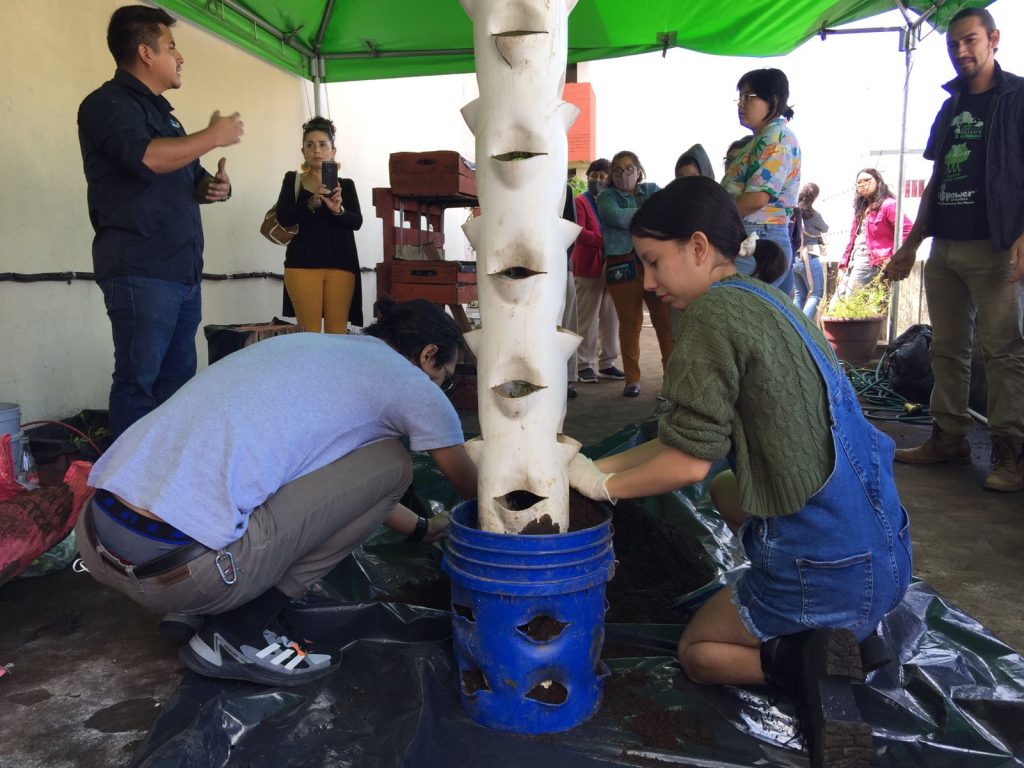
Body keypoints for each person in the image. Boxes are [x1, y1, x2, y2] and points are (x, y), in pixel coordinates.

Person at [569, 176, 911, 768]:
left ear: (699, 246)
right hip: (888, 551)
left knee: (699, 652)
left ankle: (801, 658)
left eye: (653, 263)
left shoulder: (708, 317)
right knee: (729, 488)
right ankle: (856, 635)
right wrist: (589, 465)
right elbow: (688, 443)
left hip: (826, 571)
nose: (647, 282)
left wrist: (599, 485)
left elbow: (686, 461)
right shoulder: (769, 296)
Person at [75, 298, 478, 687]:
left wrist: (422, 529)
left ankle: (187, 612)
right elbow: (470, 483)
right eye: (447, 374)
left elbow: (351, 493)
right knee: (395, 464)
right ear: (428, 355)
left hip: (97, 536)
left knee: (255, 468)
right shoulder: (411, 383)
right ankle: (235, 632)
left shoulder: (307, 346)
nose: (442, 385)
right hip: (184, 573)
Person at [78, 5, 244, 438]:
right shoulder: (105, 105)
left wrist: (211, 187)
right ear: (145, 52)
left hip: (180, 271)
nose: (180, 56)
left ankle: (165, 490)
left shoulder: (166, 115)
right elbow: (147, 158)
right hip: (140, 268)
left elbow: (184, 172)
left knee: (177, 387)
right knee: (139, 384)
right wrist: (211, 135)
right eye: (172, 46)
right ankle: (128, 497)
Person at [885, 7, 1024, 493]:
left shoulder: (1019, 98)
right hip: (945, 248)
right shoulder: (951, 106)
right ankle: (949, 438)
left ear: (994, 39)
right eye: (953, 45)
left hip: (997, 247)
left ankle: (1010, 453)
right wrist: (911, 242)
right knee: (947, 349)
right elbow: (938, 179)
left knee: (1004, 351)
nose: (961, 51)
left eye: (970, 41)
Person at [275, 117, 363, 334]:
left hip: (341, 265)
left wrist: (338, 210)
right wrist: (310, 203)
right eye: (310, 145)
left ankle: (335, 369)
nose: (317, 150)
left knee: (338, 333)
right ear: (303, 151)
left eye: (323, 144)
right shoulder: (293, 180)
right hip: (302, 264)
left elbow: (357, 221)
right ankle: (309, 369)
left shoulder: (347, 185)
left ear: (333, 150)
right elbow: (284, 217)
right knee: (308, 333)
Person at [597, 151, 674, 397]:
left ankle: (671, 381)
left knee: (664, 323)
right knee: (630, 324)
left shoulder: (652, 189)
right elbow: (616, 218)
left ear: (639, 171)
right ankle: (632, 380)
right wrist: (648, 212)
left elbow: (666, 212)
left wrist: (652, 211)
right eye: (617, 170)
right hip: (622, 267)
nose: (623, 174)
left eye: (629, 168)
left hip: (654, 265)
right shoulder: (606, 196)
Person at [721, 68, 802, 297]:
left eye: (749, 97)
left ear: (773, 100)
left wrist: (714, 221)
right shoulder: (764, 138)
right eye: (740, 97)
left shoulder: (775, 138)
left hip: (758, 238)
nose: (740, 104)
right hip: (758, 236)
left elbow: (757, 198)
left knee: (730, 309)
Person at [572, 159, 623, 385]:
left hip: (609, 266)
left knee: (611, 317)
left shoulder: (610, 202)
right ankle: (584, 364)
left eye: (603, 177)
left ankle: (607, 362)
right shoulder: (580, 202)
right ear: (588, 176)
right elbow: (580, 232)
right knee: (587, 317)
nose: (598, 180)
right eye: (594, 175)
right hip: (587, 267)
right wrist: (606, 242)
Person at [831, 169, 911, 306]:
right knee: (835, 306)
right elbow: (852, 239)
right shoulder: (861, 209)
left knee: (852, 305)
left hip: (871, 262)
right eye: (859, 182)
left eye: (867, 180)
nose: (862, 184)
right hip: (853, 261)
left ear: (878, 182)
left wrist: (892, 258)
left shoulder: (888, 205)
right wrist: (843, 265)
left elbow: (908, 230)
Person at [793, 183, 829, 318]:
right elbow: (825, 228)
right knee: (816, 294)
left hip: (795, 258)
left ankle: (794, 325)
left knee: (799, 295)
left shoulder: (793, 213)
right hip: (809, 257)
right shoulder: (813, 215)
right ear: (814, 197)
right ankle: (803, 327)